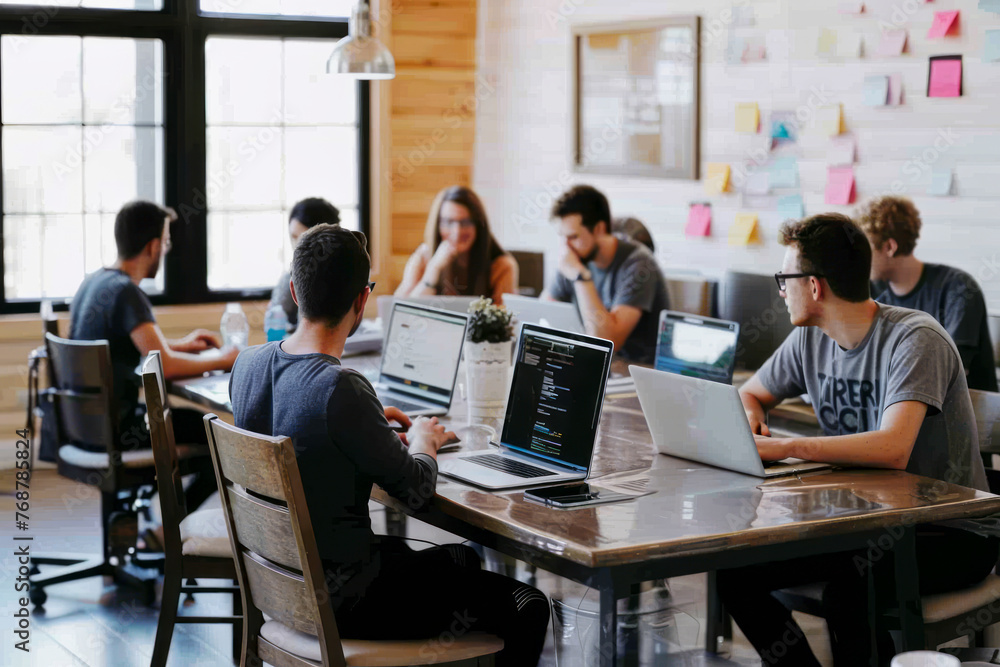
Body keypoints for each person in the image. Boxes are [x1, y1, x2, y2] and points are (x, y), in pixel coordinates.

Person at [229, 224, 549, 666]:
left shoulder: (247, 364)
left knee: (459, 559)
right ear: (362, 300)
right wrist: (424, 440)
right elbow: (415, 489)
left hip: (281, 586)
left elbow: (313, 442)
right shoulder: (340, 388)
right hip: (347, 604)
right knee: (526, 604)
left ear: (295, 293)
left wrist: (372, 433)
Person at [718, 213, 1000, 666]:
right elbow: (751, 392)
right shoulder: (809, 339)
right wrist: (753, 422)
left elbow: (893, 448)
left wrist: (786, 447)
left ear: (813, 286)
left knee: (849, 593)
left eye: (783, 279)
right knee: (733, 572)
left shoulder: (915, 338)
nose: (780, 290)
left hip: (950, 533)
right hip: (860, 525)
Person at [70, 200, 238, 519]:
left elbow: (138, 346)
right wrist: (224, 359)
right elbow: (166, 366)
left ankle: (152, 528)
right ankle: (168, 532)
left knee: (192, 424)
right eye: (167, 241)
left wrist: (183, 345)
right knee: (222, 441)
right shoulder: (126, 292)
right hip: (119, 432)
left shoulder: (94, 282)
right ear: (152, 246)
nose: (166, 249)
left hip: (86, 426)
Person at [856, 195, 997, 392]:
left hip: (968, 415)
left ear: (889, 247)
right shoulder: (875, 295)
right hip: (901, 405)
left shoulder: (959, 288)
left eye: (865, 249)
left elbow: (949, 371)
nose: (860, 258)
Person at [542, 185, 669, 363]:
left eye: (573, 237)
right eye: (562, 237)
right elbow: (542, 315)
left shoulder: (639, 265)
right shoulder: (575, 255)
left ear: (599, 229)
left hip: (633, 371)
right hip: (590, 364)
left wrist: (581, 278)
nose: (566, 247)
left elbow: (608, 342)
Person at [395, 186, 518, 305]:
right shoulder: (424, 256)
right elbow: (401, 310)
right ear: (438, 226)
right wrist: (433, 270)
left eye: (465, 222)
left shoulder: (502, 265)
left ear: (478, 225)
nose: (457, 231)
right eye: (448, 222)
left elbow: (504, 318)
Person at [269, 197, 341, 334]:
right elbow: (274, 320)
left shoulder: (345, 274)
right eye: (294, 237)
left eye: (304, 238)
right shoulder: (290, 277)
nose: (297, 246)